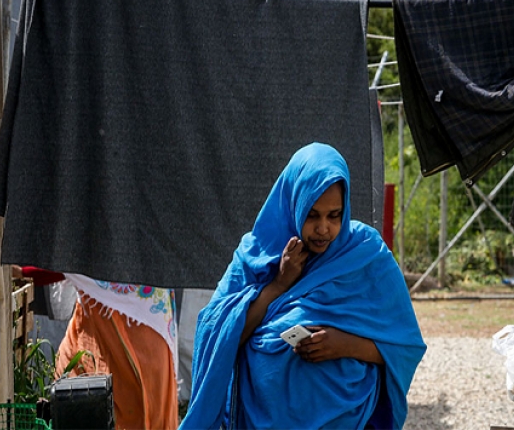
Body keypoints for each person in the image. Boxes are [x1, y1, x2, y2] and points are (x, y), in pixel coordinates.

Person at [180, 143, 426, 430]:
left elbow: (405, 347)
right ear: (294, 203)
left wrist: (344, 345)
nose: (323, 228)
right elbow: (218, 333)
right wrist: (278, 285)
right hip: (261, 420)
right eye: (312, 215)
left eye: (334, 216)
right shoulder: (257, 254)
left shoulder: (366, 254)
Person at [12, 266, 179, 429]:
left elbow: (70, 262)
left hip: (136, 336)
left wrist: (22, 272)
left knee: (135, 404)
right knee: (78, 394)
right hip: (112, 326)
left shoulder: (109, 248)